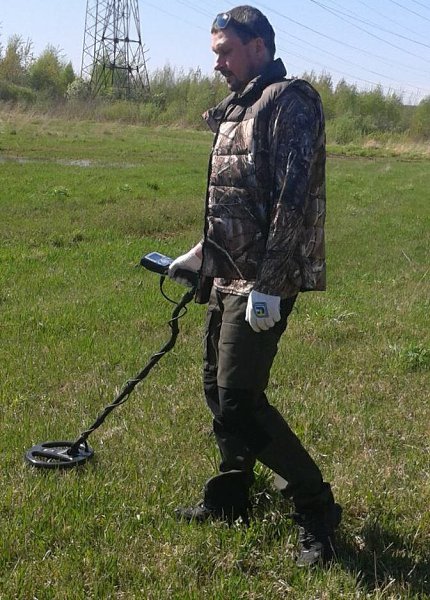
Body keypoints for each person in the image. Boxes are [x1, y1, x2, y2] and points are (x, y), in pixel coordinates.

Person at [168, 5, 341, 567]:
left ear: (259, 47)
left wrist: (269, 284)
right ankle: (232, 495)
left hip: (264, 281)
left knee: (240, 401)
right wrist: (201, 254)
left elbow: (293, 199)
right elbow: (235, 201)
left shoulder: (291, 100)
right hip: (227, 274)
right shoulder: (238, 107)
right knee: (217, 390)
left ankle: (316, 509)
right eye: (215, 52)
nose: (216, 62)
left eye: (225, 52)